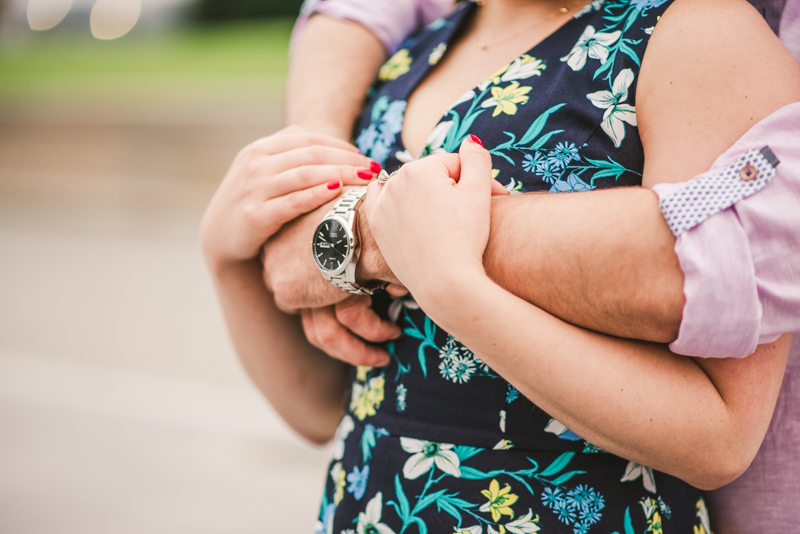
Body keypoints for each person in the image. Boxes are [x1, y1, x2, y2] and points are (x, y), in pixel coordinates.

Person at [202, 0, 800, 532]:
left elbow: (721, 438)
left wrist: (454, 289)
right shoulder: (410, 52)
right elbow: (321, 407)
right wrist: (225, 255)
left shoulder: (702, 38)